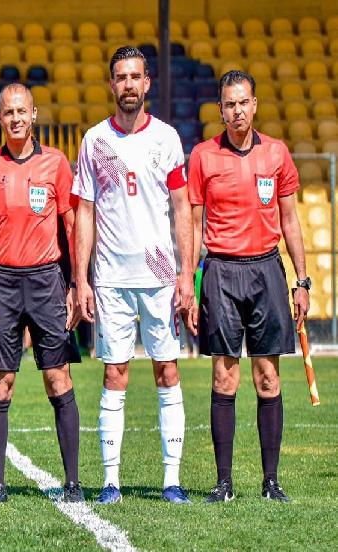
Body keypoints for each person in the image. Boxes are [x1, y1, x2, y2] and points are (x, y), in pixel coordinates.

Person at [74, 46, 194, 504]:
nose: (128, 85)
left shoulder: (166, 138)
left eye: (135, 77)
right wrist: (82, 279)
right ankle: (111, 482)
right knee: (115, 373)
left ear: (147, 83)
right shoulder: (94, 141)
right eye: (120, 77)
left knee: (167, 370)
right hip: (110, 277)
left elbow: (182, 207)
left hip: (160, 274)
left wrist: (186, 273)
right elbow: (84, 213)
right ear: (112, 84)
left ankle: (171, 481)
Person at [188, 70, 309, 504]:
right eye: (229, 104)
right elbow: (192, 224)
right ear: (220, 110)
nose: (237, 111)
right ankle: (223, 483)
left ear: (254, 105)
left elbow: (290, 220)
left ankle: (270, 481)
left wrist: (302, 280)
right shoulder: (202, 156)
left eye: (243, 102)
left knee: (268, 377)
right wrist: (189, 282)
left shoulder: (277, 153)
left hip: (266, 270)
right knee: (224, 375)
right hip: (221, 271)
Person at [0, 83, 83, 503]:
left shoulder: (56, 163)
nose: (15, 118)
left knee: (58, 378)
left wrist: (76, 283)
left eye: (21, 111)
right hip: (2, 283)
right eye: (8, 112)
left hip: (48, 281)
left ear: (33, 115)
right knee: (1, 382)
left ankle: (72, 482)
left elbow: (72, 225)